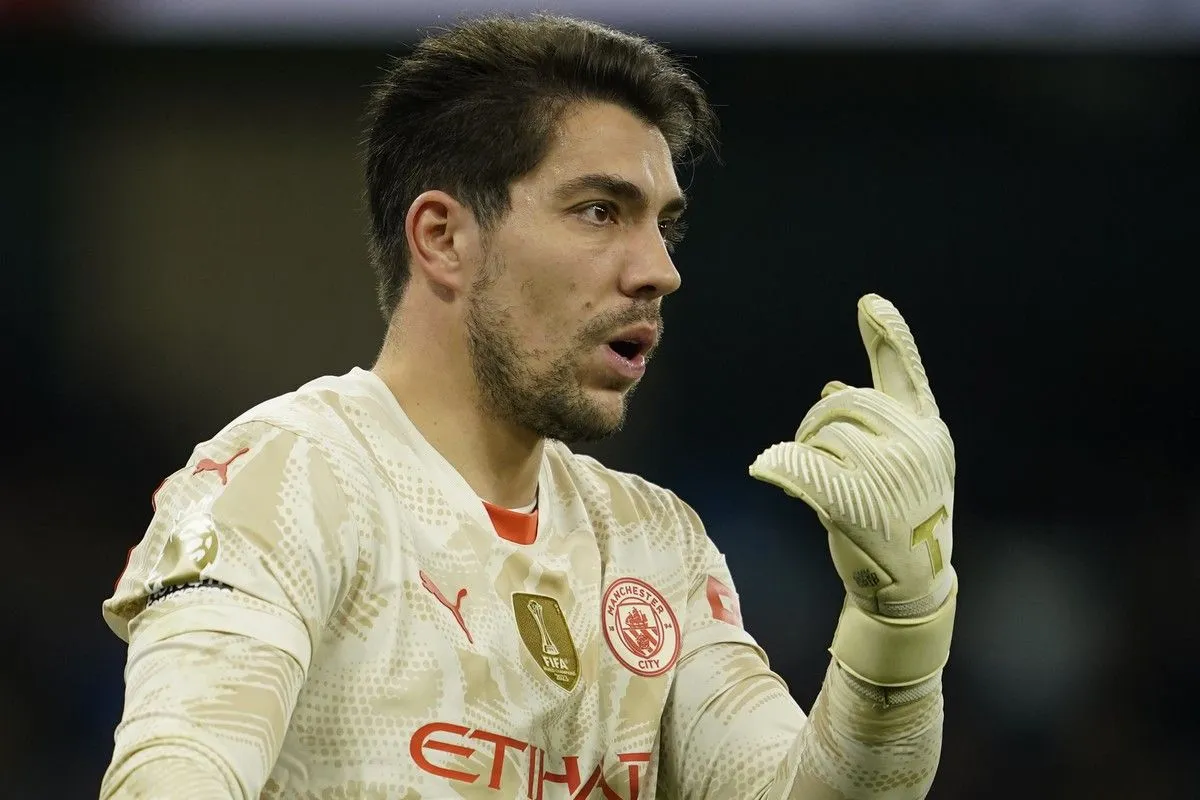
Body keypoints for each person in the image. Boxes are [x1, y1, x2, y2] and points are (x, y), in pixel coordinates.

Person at [100, 13, 957, 799]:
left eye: (665, 225)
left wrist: (901, 628)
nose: (659, 270)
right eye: (600, 211)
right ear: (443, 238)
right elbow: (172, 776)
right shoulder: (285, 483)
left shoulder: (656, 545)